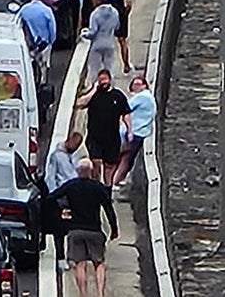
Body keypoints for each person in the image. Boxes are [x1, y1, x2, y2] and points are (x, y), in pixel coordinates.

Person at [49, 156, 118, 297]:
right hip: (95, 230)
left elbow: (52, 197)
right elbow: (108, 209)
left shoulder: (71, 185)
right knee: (99, 263)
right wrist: (114, 228)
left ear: (77, 171)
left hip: (75, 230)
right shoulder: (98, 188)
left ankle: (83, 294)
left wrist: (62, 209)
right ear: (91, 171)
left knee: (80, 264)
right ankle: (100, 293)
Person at [76, 68, 132, 168]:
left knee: (110, 165)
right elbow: (79, 104)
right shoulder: (94, 95)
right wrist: (94, 90)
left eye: (105, 79)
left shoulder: (118, 96)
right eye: (101, 80)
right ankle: (97, 182)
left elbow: (126, 114)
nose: (103, 82)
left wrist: (129, 130)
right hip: (94, 137)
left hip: (112, 137)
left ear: (110, 80)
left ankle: (107, 184)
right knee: (96, 162)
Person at [112, 72, 156, 186]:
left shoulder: (141, 97)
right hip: (141, 132)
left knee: (123, 158)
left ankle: (113, 181)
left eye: (138, 84)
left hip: (134, 132)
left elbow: (125, 107)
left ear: (144, 86)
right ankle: (116, 181)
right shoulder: (148, 97)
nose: (135, 87)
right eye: (134, 84)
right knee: (126, 158)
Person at [95, 0, 134, 73]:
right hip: (120, 15)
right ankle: (126, 64)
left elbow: (96, 0)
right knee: (122, 41)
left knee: (105, 41)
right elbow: (128, 3)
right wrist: (125, 14)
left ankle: (104, 66)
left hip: (104, 17)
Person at [18, 0, 57, 86]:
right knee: (43, 65)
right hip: (44, 44)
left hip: (28, 43)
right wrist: (51, 41)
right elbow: (52, 29)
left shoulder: (24, 9)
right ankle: (42, 83)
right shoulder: (47, 10)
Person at [83, 0, 122, 85]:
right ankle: (110, 86)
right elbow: (117, 27)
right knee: (109, 68)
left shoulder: (95, 14)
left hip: (97, 45)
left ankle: (95, 87)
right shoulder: (115, 12)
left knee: (95, 69)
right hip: (110, 44)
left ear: (97, 0)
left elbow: (93, 32)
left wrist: (83, 34)